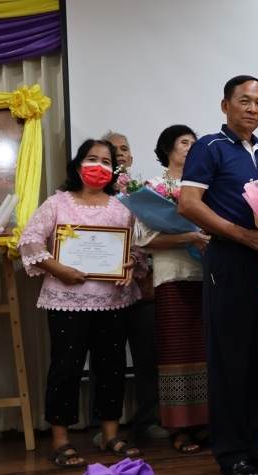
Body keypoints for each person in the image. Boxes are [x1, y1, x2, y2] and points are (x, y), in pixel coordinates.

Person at [177, 75, 258, 475]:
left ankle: (254, 447)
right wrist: (245, 236)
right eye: (244, 101)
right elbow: (189, 204)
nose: (253, 109)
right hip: (229, 261)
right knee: (230, 362)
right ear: (225, 105)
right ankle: (231, 453)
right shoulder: (209, 147)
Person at [18, 139, 144, 468]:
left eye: (106, 161)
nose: (99, 166)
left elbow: (138, 250)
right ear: (78, 166)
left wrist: (131, 262)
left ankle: (109, 435)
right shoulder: (57, 203)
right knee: (66, 368)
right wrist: (59, 269)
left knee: (112, 367)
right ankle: (61, 441)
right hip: (66, 301)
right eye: (92, 159)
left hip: (114, 301)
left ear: (113, 170)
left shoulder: (124, 207)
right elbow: (29, 241)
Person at [133, 125, 211, 454]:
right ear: (167, 148)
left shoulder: (207, 186)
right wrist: (188, 237)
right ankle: (178, 428)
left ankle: (205, 422)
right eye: (184, 142)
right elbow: (143, 239)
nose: (191, 147)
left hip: (207, 277)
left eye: (195, 143)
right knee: (175, 355)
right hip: (172, 276)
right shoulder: (154, 188)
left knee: (205, 353)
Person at [88, 131, 168, 445]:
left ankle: (147, 420)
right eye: (112, 150)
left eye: (124, 149)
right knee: (105, 360)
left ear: (131, 158)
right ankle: (101, 425)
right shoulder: (89, 196)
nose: (119, 153)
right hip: (102, 291)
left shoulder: (144, 194)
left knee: (148, 358)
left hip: (142, 289)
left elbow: (153, 236)